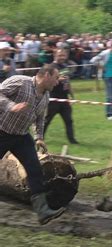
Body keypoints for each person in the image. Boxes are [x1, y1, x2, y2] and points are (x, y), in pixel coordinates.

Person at [0, 64, 65, 225]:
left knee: (35, 169)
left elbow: (40, 118)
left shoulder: (46, 96)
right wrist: (11, 106)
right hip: (2, 131)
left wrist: (39, 137)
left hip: (21, 136)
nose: (57, 82)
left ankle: (43, 211)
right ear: (47, 75)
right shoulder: (20, 82)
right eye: (56, 78)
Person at [44, 49, 78, 144]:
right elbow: (45, 82)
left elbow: (67, 82)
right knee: (47, 120)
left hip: (65, 98)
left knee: (69, 120)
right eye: (60, 55)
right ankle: (39, 138)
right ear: (55, 55)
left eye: (64, 55)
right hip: (53, 98)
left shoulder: (65, 66)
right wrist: (57, 79)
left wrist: (72, 95)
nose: (62, 57)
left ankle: (72, 140)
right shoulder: (50, 67)